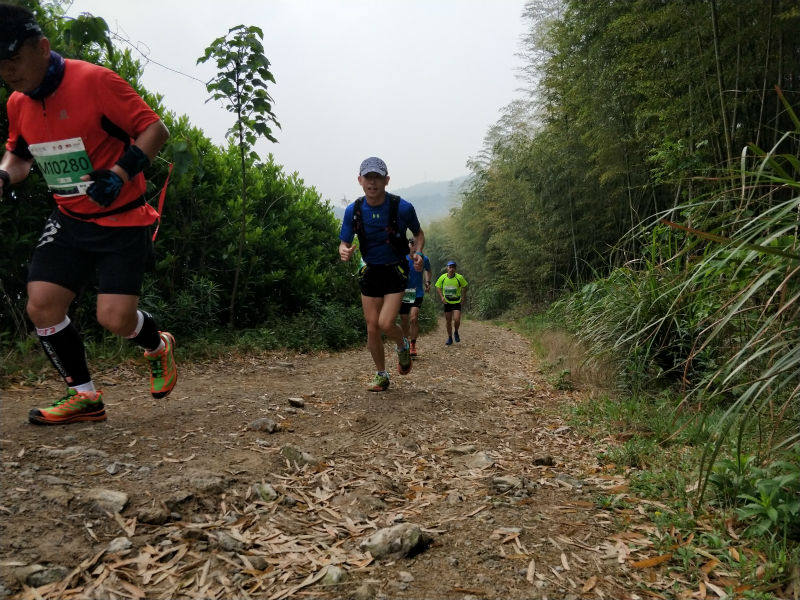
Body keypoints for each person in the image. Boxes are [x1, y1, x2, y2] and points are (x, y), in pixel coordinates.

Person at [0, 4, 176, 425]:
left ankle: (158, 347)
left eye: (13, 59)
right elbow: (19, 156)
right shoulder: (18, 103)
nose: (7, 72)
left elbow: (155, 130)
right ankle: (83, 396)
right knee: (42, 306)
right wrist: (5, 176)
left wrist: (119, 174)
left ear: (41, 47)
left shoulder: (95, 81)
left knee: (113, 319)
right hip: (70, 218)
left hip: (123, 218)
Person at [339, 156, 425, 391]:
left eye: (378, 177)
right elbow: (344, 242)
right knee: (372, 327)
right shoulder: (353, 210)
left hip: (395, 270)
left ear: (386, 180)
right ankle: (381, 375)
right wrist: (344, 251)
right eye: (368, 177)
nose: (373, 182)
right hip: (369, 271)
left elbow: (418, 234)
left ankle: (402, 345)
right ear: (360, 180)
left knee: (386, 323)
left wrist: (417, 253)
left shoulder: (402, 207)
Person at [398, 238, 431, 357]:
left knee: (413, 318)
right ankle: (405, 343)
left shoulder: (424, 259)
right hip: (405, 293)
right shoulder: (402, 259)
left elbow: (428, 269)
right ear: (408, 245)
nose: (414, 246)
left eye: (416, 244)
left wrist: (428, 282)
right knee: (404, 319)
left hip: (417, 293)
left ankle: (412, 345)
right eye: (412, 244)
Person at [435, 261, 468, 345]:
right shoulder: (443, 277)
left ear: (455, 269)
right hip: (447, 302)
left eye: (453, 267)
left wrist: (463, 297)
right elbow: (437, 287)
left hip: (457, 301)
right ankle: (449, 338)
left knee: (457, 319)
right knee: (448, 321)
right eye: (450, 267)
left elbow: (464, 286)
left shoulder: (459, 277)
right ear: (447, 268)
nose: (451, 269)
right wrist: (442, 297)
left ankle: (456, 332)